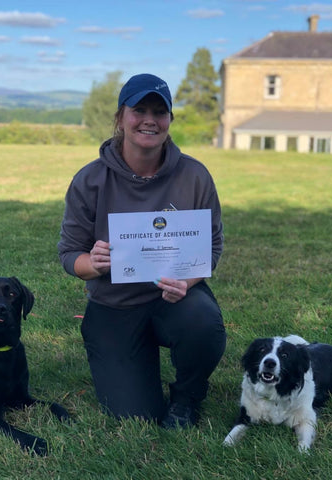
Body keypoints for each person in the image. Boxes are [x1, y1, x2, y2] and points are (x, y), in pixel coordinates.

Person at [58, 73, 226, 428]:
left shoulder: (194, 176)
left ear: (169, 121)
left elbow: (210, 246)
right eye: (139, 110)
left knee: (204, 321)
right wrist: (95, 263)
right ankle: (129, 356)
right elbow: (69, 254)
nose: (149, 119)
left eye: (159, 111)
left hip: (172, 298)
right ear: (120, 118)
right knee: (136, 414)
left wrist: (188, 280)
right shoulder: (89, 180)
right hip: (114, 305)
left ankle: (186, 398)